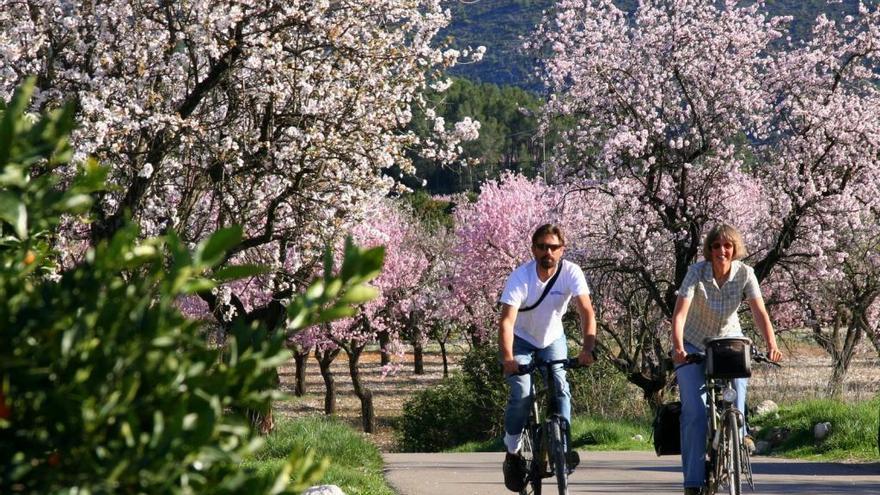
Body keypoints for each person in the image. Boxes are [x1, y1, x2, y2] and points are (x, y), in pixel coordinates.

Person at [671, 224, 783, 495]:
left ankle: (737, 432)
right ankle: (694, 482)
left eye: (728, 246)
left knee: (738, 393)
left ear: (734, 250)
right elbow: (680, 314)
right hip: (693, 343)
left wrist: (771, 344)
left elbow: (759, 313)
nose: (722, 251)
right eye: (716, 246)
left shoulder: (746, 273)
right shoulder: (696, 273)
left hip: (729, 341)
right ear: (709, 250)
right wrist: (677, 347)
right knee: (695, 413)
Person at [498, 223, 597, 492]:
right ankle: (513, 450)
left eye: (553, 247)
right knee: (521, 391)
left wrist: (587, 349)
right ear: (533, 249)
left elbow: (586, 310)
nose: (547, 252)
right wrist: (508, 358)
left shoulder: (571, 272)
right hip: (521, 340)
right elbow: (507, 321)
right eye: (542, 246)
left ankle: (563, 450)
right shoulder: (521, 277)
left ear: (562, 250)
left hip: (552, 338)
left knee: (560, 386)